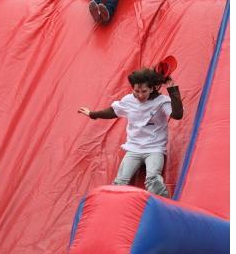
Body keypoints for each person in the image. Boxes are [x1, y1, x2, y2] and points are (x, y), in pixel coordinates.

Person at [78, 67, 183, 197]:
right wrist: (92, 114)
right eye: (136, 91)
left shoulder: (161, 101)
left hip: (154, 149)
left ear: (152, 89)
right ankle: (113, 204)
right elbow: (112, 112)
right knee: (119, 182)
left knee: (153, 180)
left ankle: (163, 205)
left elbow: (177, 115)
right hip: (134, 149)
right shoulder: (129, 100)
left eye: (144, 91)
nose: (140, 95)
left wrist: (173, 90)